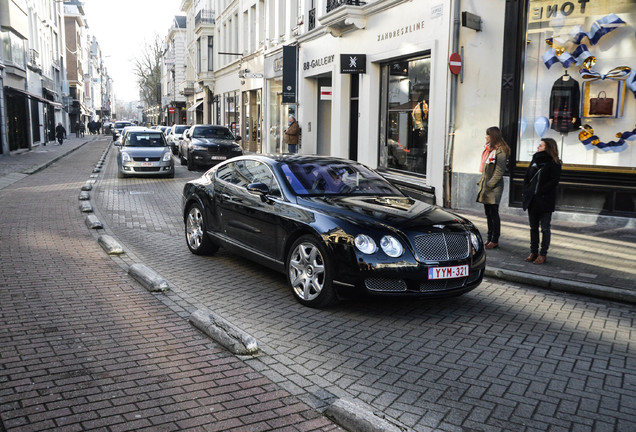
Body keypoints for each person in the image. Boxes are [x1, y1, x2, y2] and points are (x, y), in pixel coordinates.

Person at [522, 138, 562, 264]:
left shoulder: (554, 162)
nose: (538, 147)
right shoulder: (535, 159)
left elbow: (553, 181)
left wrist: (540, 191)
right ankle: (533, 252)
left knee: (545, 228)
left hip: (545, 200)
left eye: (541, 145)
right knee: (533, 227)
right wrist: (528, 190)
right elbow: (527, 176)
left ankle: (543, 254)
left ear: (548, 147)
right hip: (532, 200)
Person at [476, 126, 510, 249]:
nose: (486, 137)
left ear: (493, 136)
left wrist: (490, 184)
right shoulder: (489, 150)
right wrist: (482, 182)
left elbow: (499, 171)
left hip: (494, 187)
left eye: (488, 135)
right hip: (486, 186)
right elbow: (486, 169)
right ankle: (489, 237)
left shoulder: (501, 151)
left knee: (493, 213)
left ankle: (495, 239)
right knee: (488, 213)